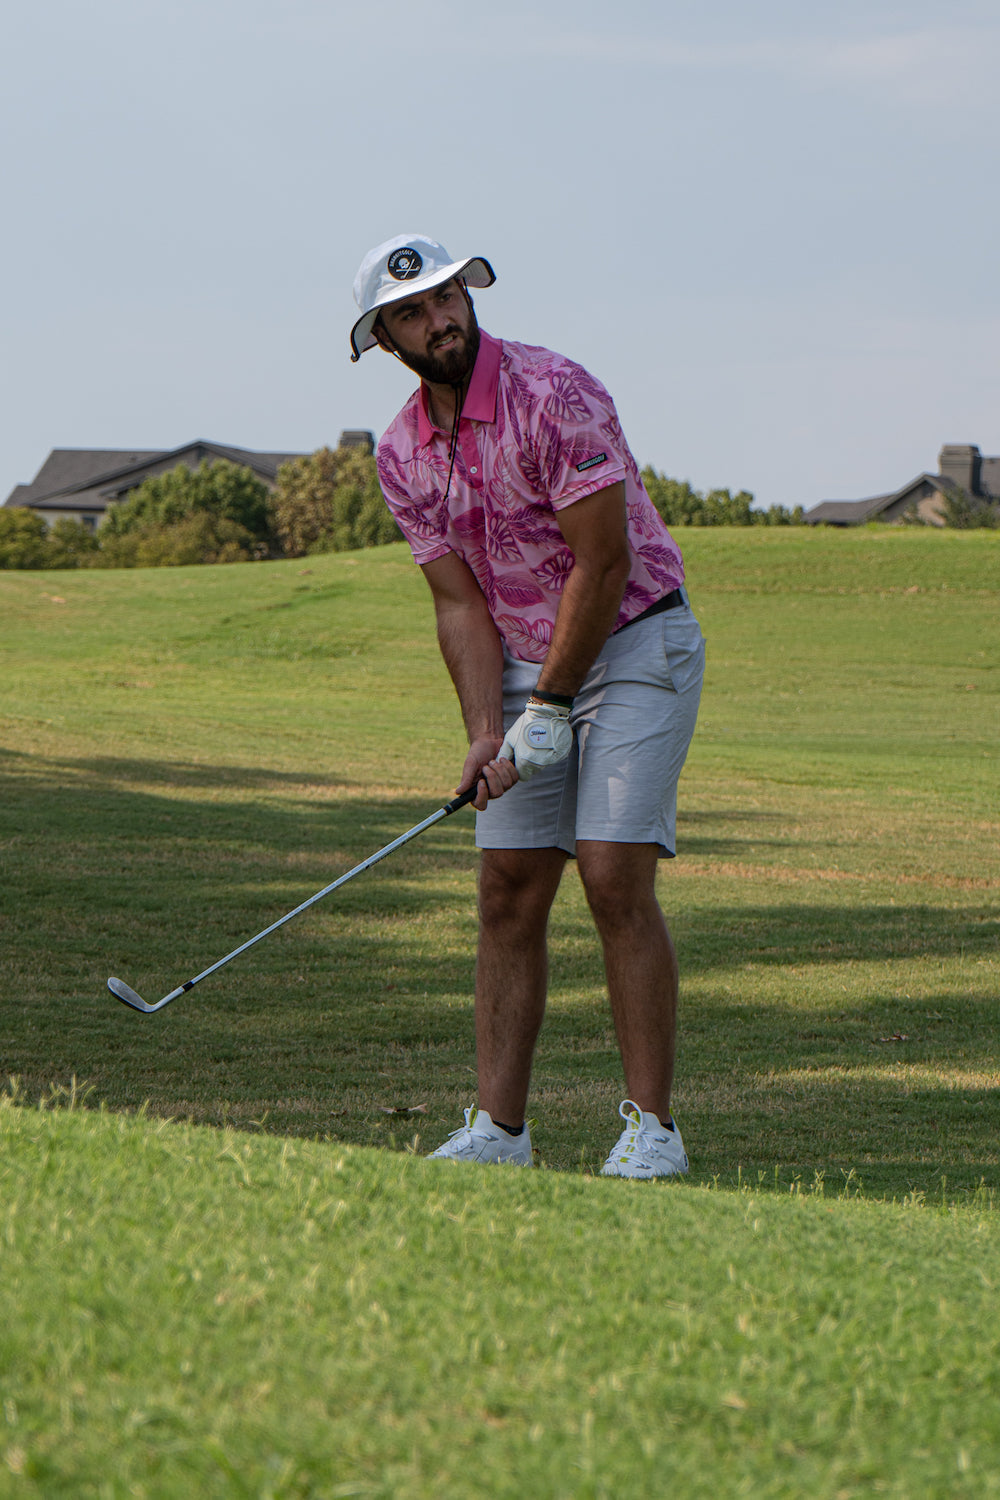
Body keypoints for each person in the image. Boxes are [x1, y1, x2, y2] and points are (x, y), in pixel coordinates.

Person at [350, 233, 705, 1177]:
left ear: (471, 294)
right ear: (386, 339)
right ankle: (501, 1132)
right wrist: (482, 731)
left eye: (448, 297)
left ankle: (653, 1131)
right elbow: (458, 603)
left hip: (634, 639)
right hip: (519, 661)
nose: (442, 319)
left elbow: (607, 559)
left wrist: (548, 705)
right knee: (507, 889)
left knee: (610, 871)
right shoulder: (399, 451)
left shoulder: (557, 391)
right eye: (413, 314)